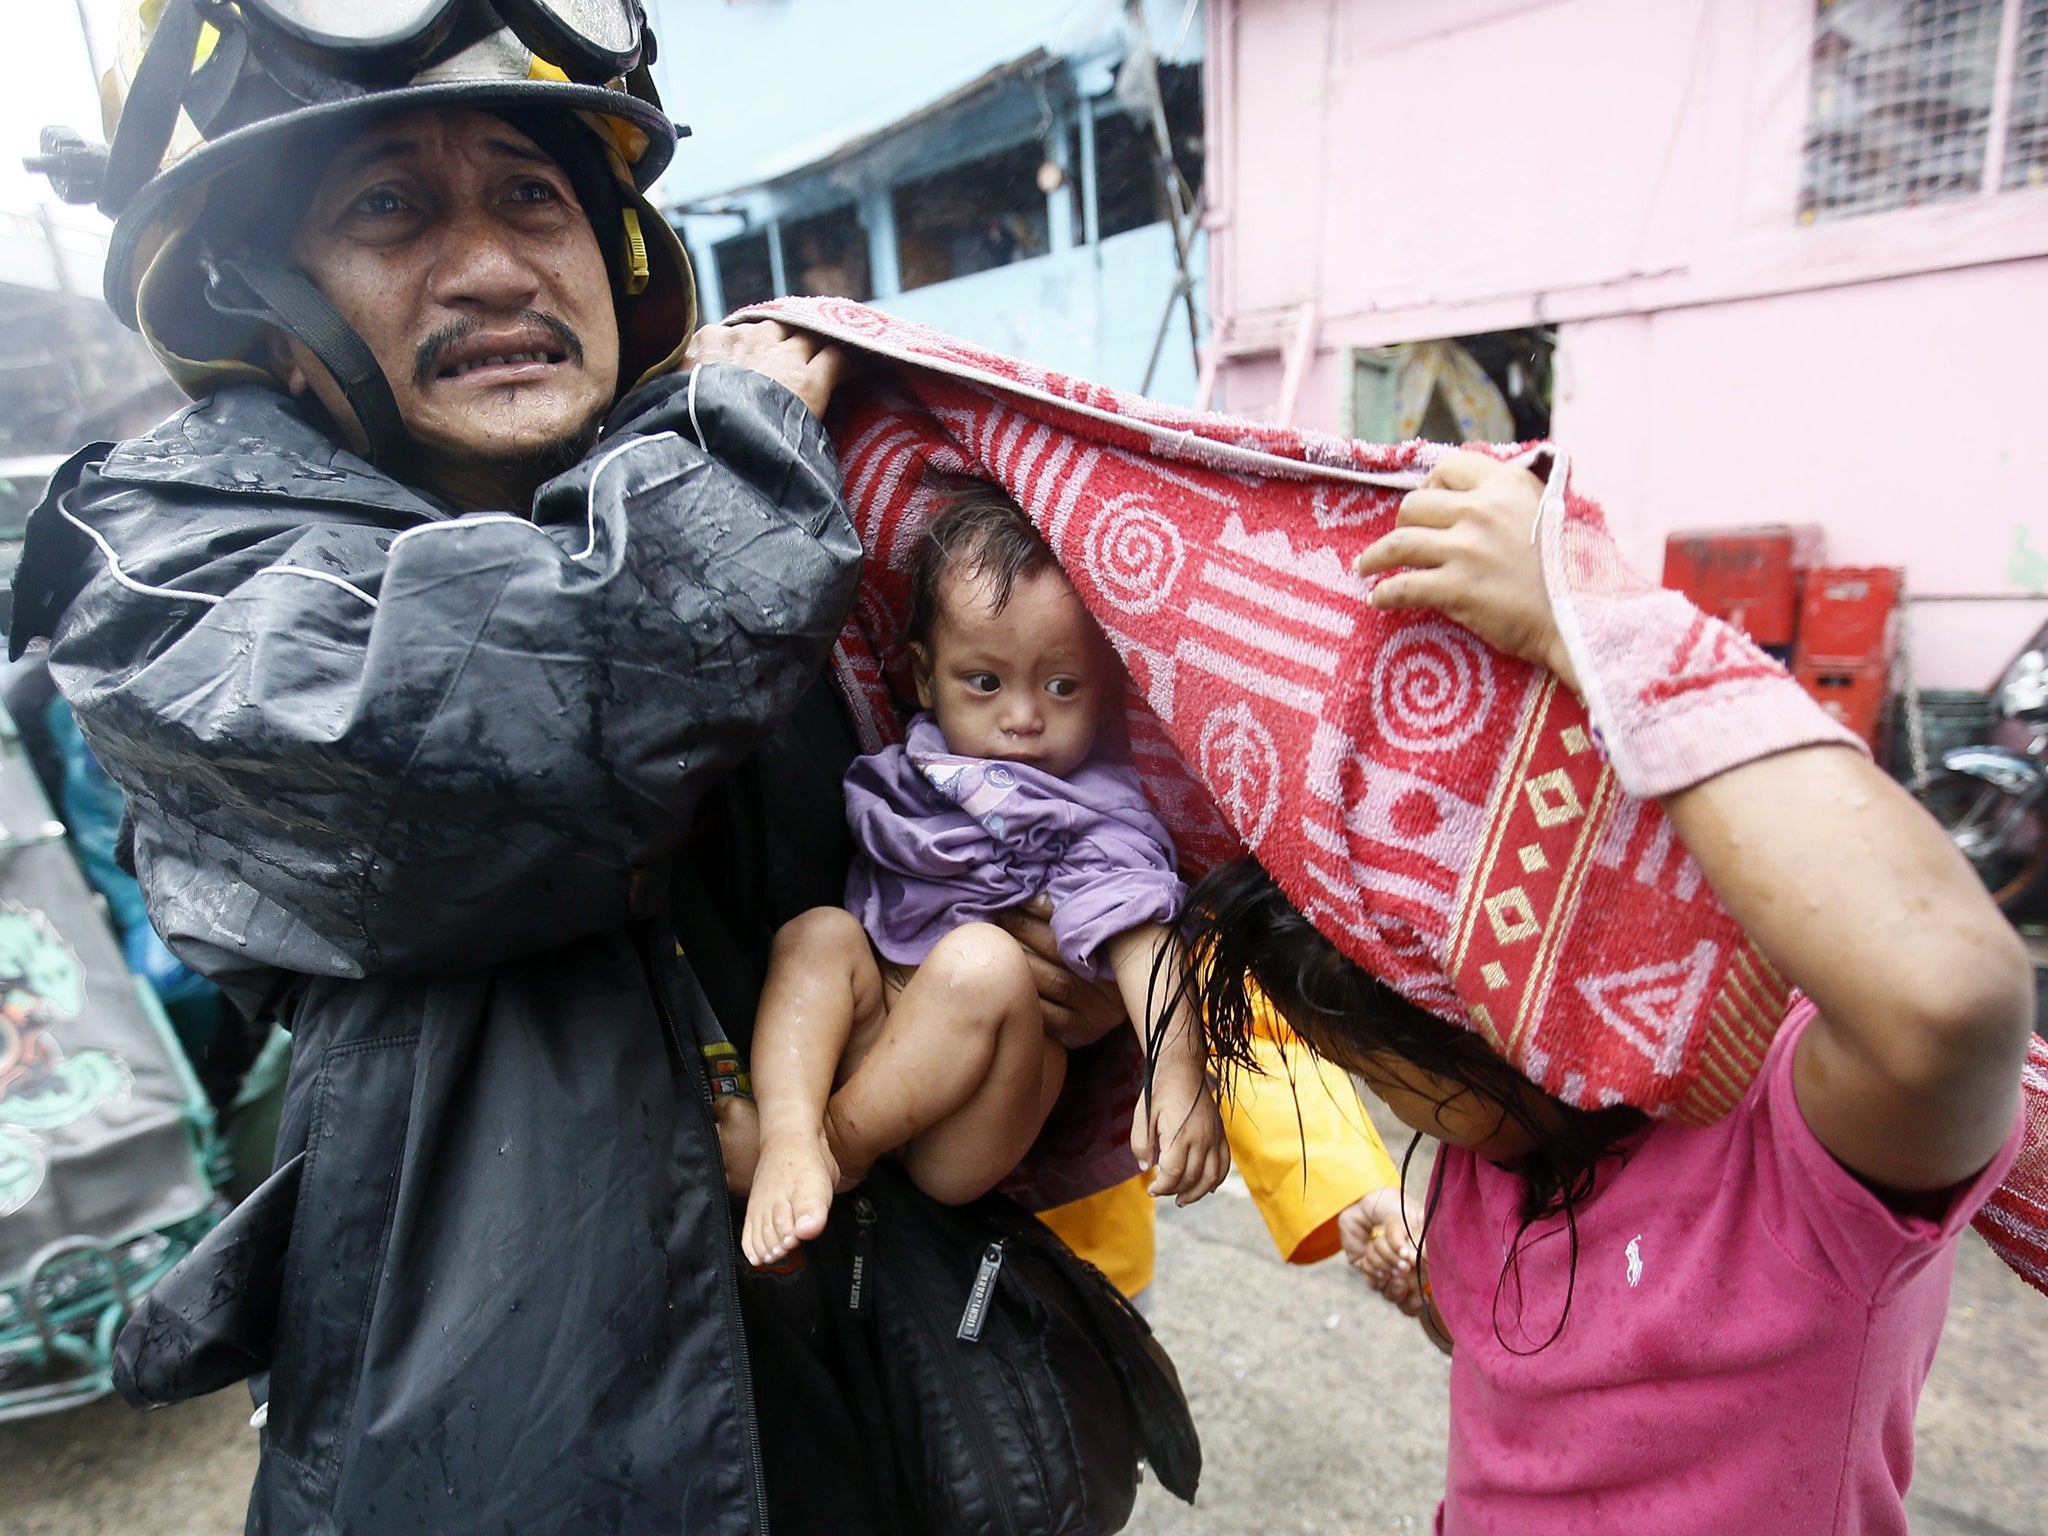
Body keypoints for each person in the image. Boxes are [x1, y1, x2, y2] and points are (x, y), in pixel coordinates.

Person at [9, 8, 1116, 1532]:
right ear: (257, 297)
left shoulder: (717, 495)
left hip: (859, 1411)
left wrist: (1022, 939)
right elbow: (493, 761)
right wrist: (745, 448)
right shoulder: (167, 569)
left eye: (535, 195)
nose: (491, 267)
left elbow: (874, 855)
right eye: (387, 207)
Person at [1179, 450, 2035, 1534]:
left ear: (1487, 1017)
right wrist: (1435, 1295)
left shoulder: (1794, 1151)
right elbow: (1546, 1366)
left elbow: (1948, 990)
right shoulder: (1485, 1163)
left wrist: (1584, 617)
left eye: (1378, 1079)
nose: (1393, 1114)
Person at [738, 486, 1228, 1266]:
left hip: (969, 1115)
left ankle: (833, 1147)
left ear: (1104, 690)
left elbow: (1146, 936)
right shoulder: (917, 756)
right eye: (986, 682)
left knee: (982, 963)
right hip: (871, 1036)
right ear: (926, 678)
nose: (1024, 718)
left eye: (1061, 686)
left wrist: (1179, 1079)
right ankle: (788, 1137)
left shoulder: (1086, 808)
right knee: (820, 935)